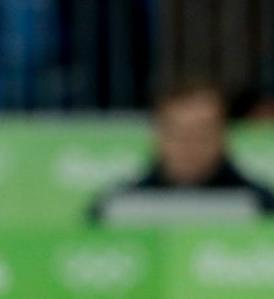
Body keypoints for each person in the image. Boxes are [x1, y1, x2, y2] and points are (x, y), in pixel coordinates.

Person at [89, 79, 274, 222]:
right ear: (158, 135)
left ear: (224, 136)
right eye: (180, 134)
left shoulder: (262, 207)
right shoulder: (116, 207)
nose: (190, 146)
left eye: (202, 133)